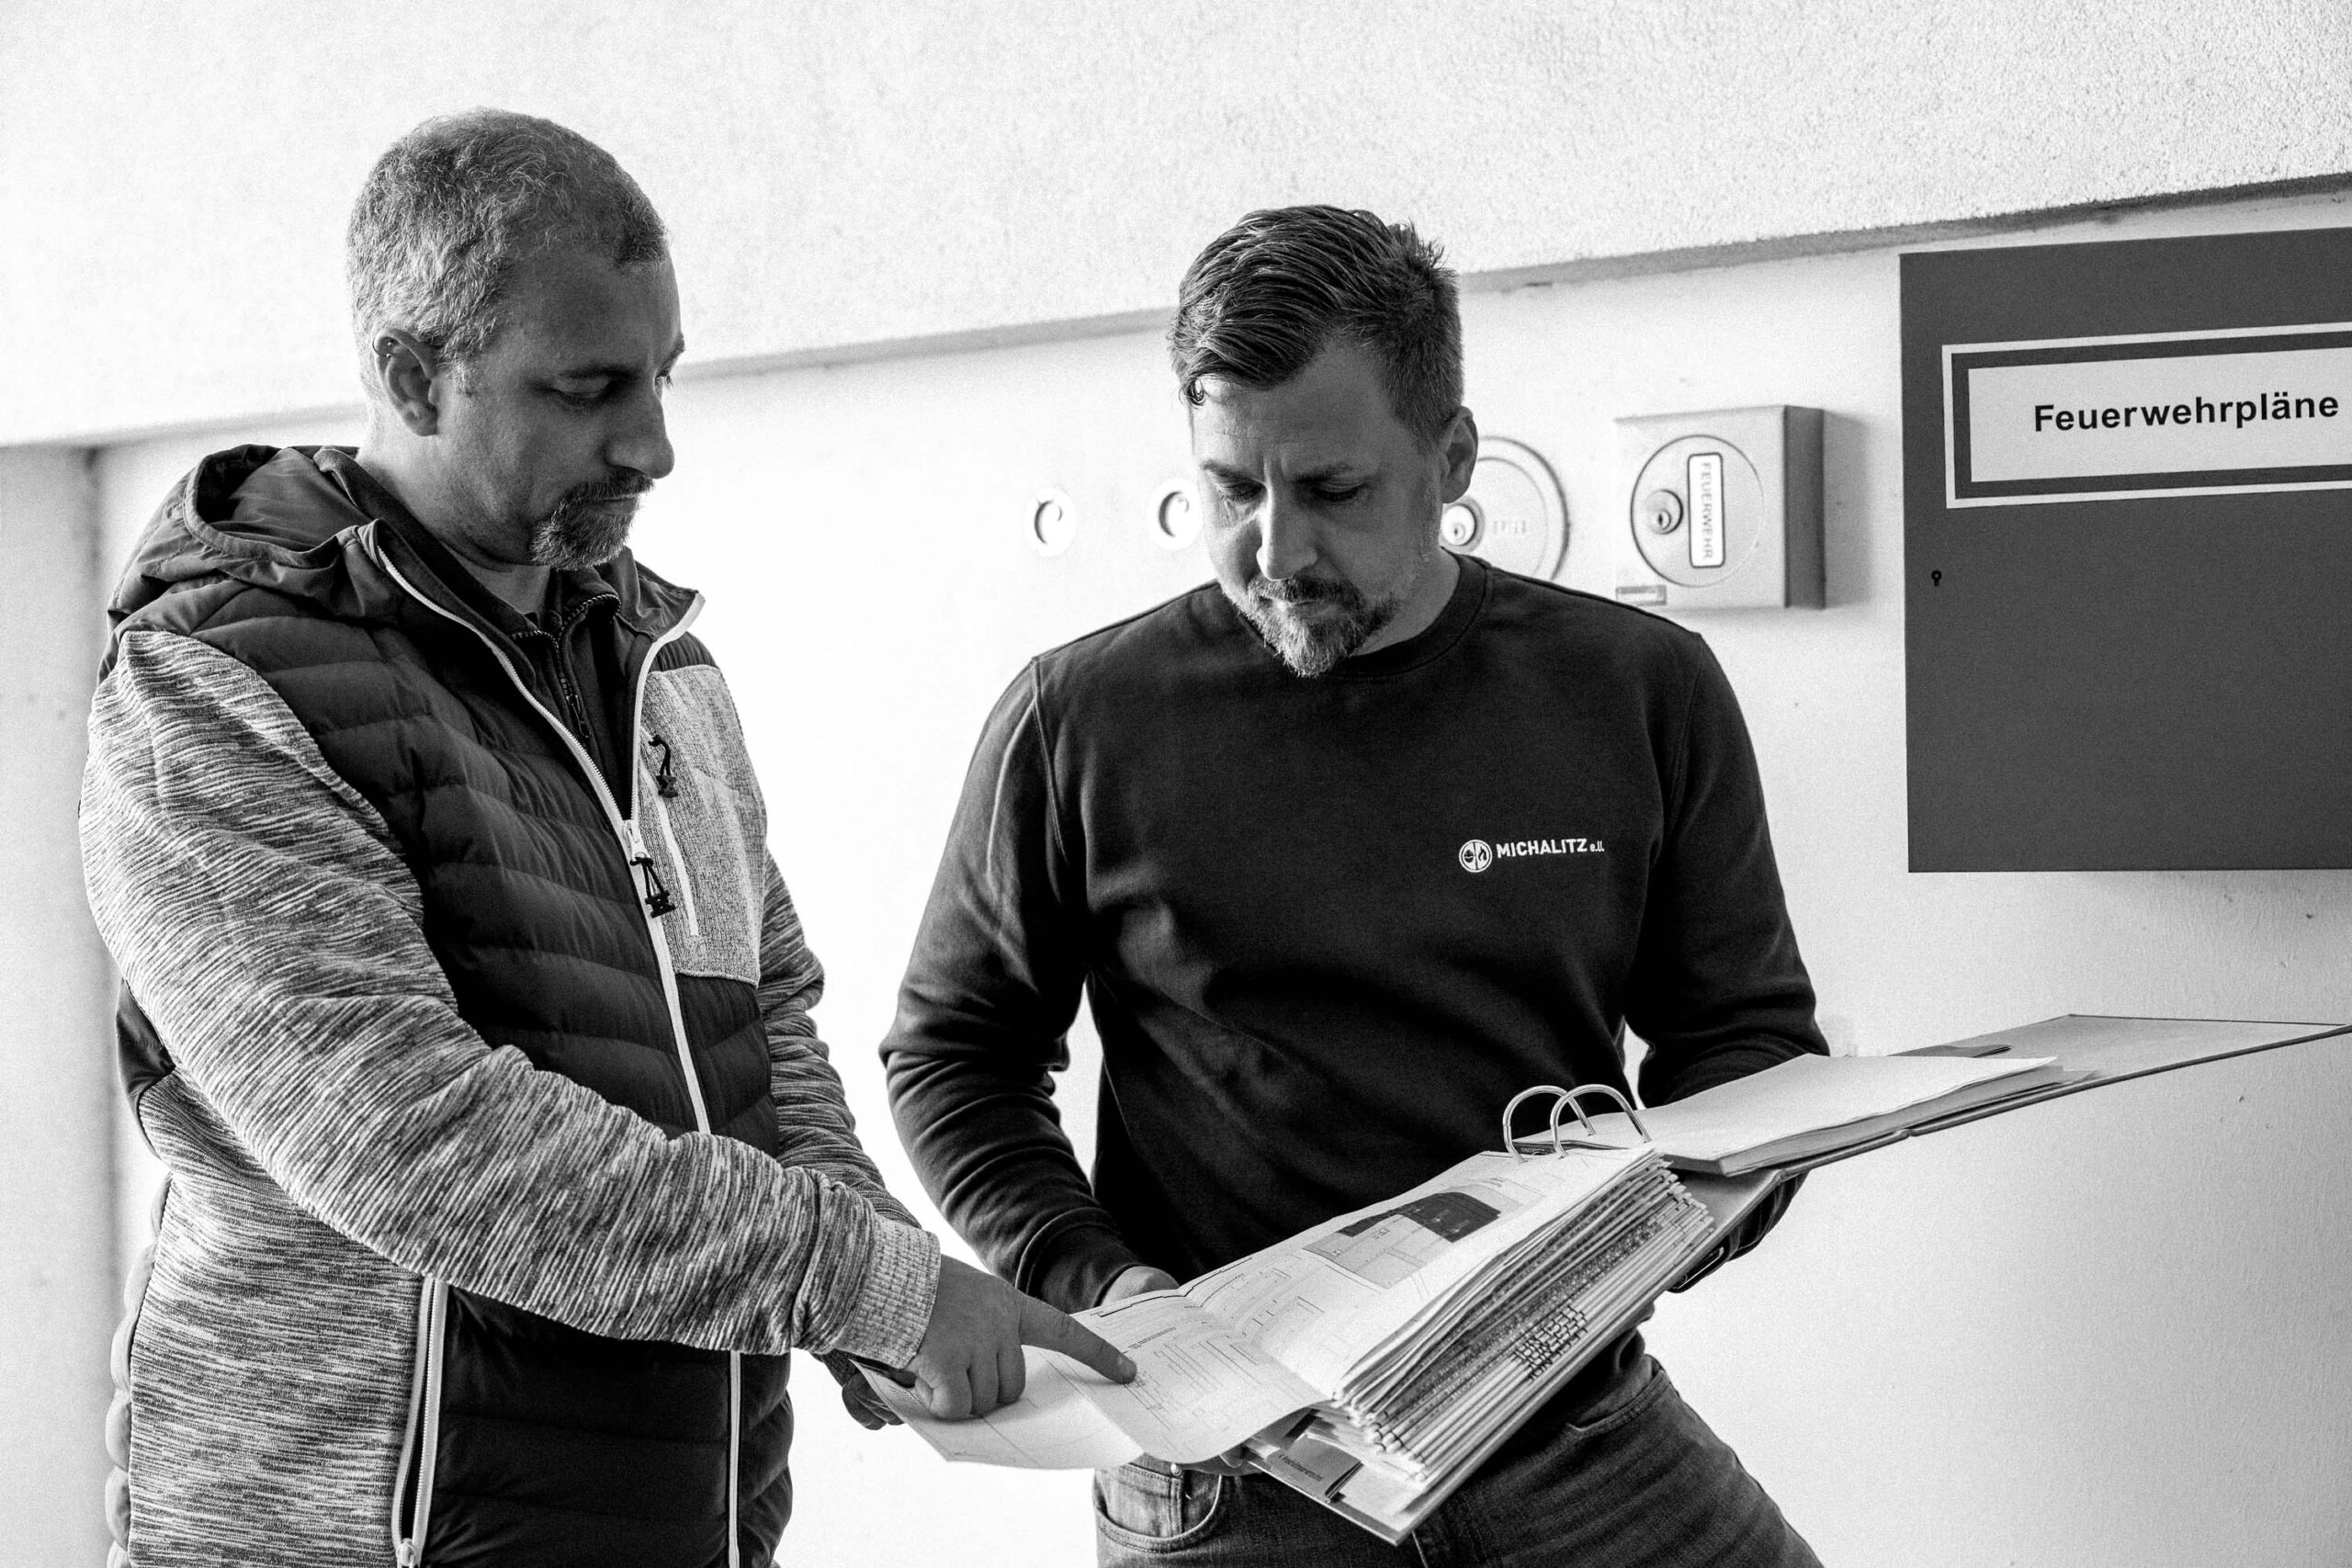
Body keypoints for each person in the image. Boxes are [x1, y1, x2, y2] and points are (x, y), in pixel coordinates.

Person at [80, 109, 1127, 1568]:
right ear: (411, 374)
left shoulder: (660, 670)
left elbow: (759, 1026)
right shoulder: (217, 686)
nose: (654, 444)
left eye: (662, 374)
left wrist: (877, 1283)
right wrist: (863, 1283)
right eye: (589, 389)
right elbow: (404, 1138)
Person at [883, 205, 1827, 1566]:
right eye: (1230, 490)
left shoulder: (1638, 691)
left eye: (1332, 491)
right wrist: (1101, 1281)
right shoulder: (1079, 719)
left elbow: (1750, 1040)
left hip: (1569, 1428)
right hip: (1234, 1474)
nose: (1275, 552)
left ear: (1453, 459)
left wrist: (1653, 1233)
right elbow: (953, 1055)